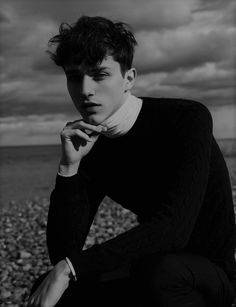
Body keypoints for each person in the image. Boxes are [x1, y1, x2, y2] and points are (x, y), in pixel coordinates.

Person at [27, 15, 236, 307]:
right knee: (50, 286)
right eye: (75, 76)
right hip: (150, 266)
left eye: (99, 75)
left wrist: (71, 268)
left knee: (160, 274)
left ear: (129, 79)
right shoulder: (91, 146)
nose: (85, 89)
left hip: (208, 276)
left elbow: (173, 230)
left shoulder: (186, 119)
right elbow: (64, 252)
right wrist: (69, 169)